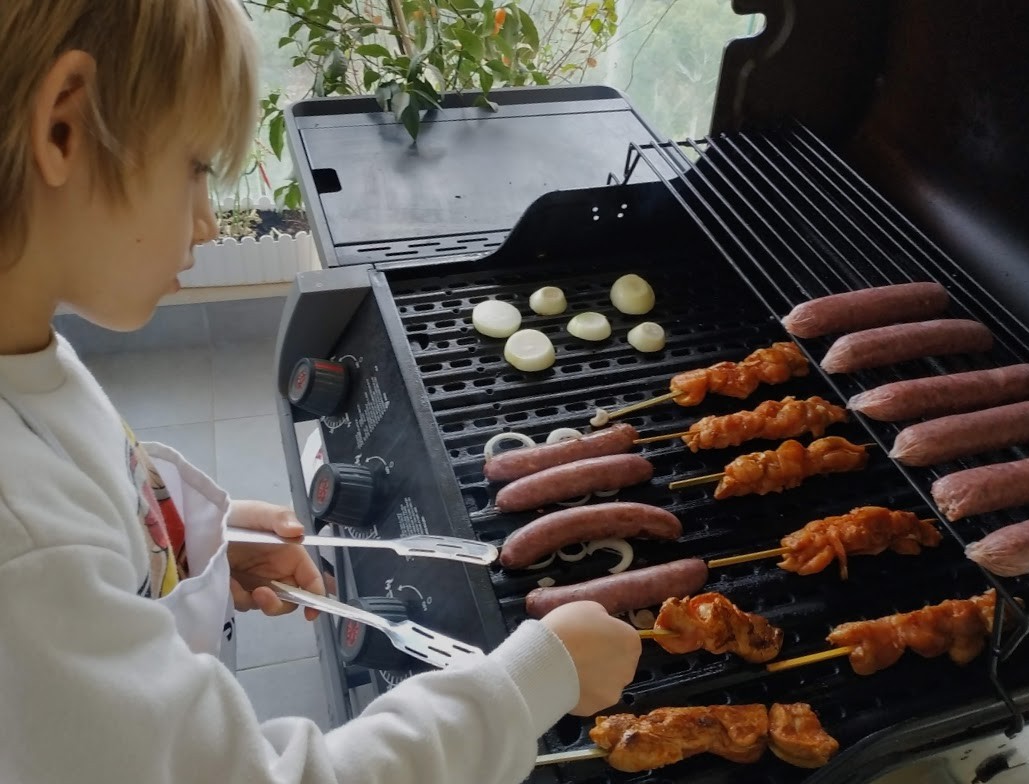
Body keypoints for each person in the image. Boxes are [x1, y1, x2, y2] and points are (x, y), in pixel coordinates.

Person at [0, 1, 643, 783]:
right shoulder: (22, 547)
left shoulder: (24, 353)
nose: (207, 224)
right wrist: (529, 683)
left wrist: (188, 544)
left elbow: (82, 505)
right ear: (63, 129)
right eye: (197, 169)